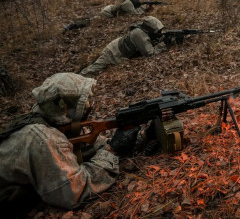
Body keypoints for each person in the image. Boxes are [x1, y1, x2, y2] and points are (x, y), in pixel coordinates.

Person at [0, 73, 143, 215]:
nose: (89, 104)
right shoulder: (44, 139)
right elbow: (74, 192)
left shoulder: (54, 120)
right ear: (63, 106)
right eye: (84, 101)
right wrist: (112, 150)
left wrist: (143, 136)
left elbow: (92, 147)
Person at [80, 16, 168, 76]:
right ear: (150, 28)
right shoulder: (139, 34)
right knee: (94, 69)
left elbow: (151, 41)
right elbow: (150, 53)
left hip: (117, 49)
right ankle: (76, 78)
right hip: (113, 52)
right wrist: (165, 44)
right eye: (158, 30)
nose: (159, 32)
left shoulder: (144, 31)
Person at [63, 0, 151, 33]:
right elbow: (134, 14)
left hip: (110, 9)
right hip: (108, 12)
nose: (141, 1)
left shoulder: (131, 3)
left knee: (92, 18)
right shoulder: (128, 3)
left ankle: (75, 22)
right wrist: (145, 9)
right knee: (91, 21)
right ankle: (72, 26)